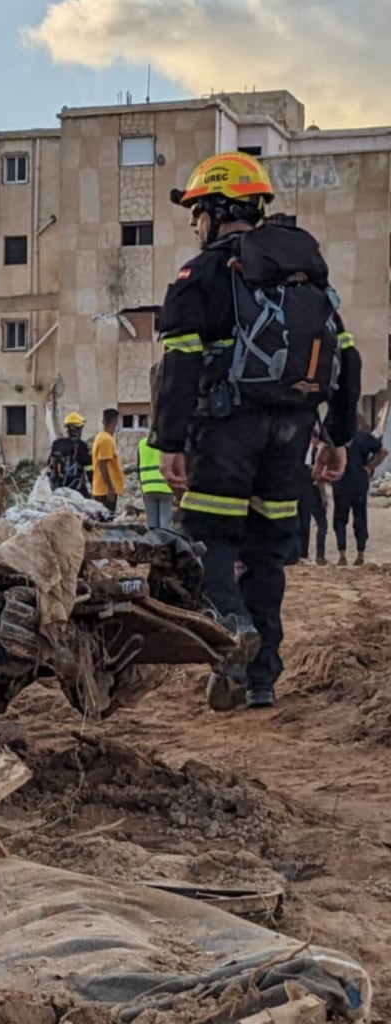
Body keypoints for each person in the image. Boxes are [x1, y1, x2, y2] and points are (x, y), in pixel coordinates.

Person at [151, 151, 360, 712]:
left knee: (210, 544)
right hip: (292, 433)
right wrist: (337, 437)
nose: (196, 225)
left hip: (225, 429)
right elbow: (347, 358)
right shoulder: (306, 278)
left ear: (220, 210)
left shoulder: (202, 274)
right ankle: (263, 676)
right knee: (266, 554)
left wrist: (168, 443)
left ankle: (232, 630)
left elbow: (180, 364)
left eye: (198, 212)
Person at [332, 415, 385, 566]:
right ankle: (360, 554)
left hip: (341, 484)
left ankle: (342, 555)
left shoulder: (337, 438)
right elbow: (382, 452)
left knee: (340, 520)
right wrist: (369, 467)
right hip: (358, 483)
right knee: (360, 518)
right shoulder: (364, 438)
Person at [294, 432, 330, 566]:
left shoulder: (315, 452)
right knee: (303, 522)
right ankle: (302, 554)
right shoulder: (315, 452)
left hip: (308, 488)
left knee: (306, 522)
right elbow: (318, 477)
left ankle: (305, 554)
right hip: (308, 488)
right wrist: (323, 495)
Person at [90, 408, 126, 514]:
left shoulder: (100, 437)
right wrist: (110, 488)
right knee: (107, 520)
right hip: (105, 491)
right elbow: (103, 465)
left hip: (100, 488)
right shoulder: (106, 440)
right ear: (115, 421)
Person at [47, 412, 92, 496]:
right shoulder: (82, 447)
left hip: (56, 490)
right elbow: (89, 470)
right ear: (76, 429)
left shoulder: (57, 444)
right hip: (76, 491)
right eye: (80, 428)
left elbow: (50, 468)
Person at [136, 436, 175, 530]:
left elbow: (138, 467)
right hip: (165, 486)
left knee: (151, 524)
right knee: (165, 523)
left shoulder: (142, 443)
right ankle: (164, 543)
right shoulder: (167, 441)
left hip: (148, 486)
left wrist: (142, 486)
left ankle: (153, 543)